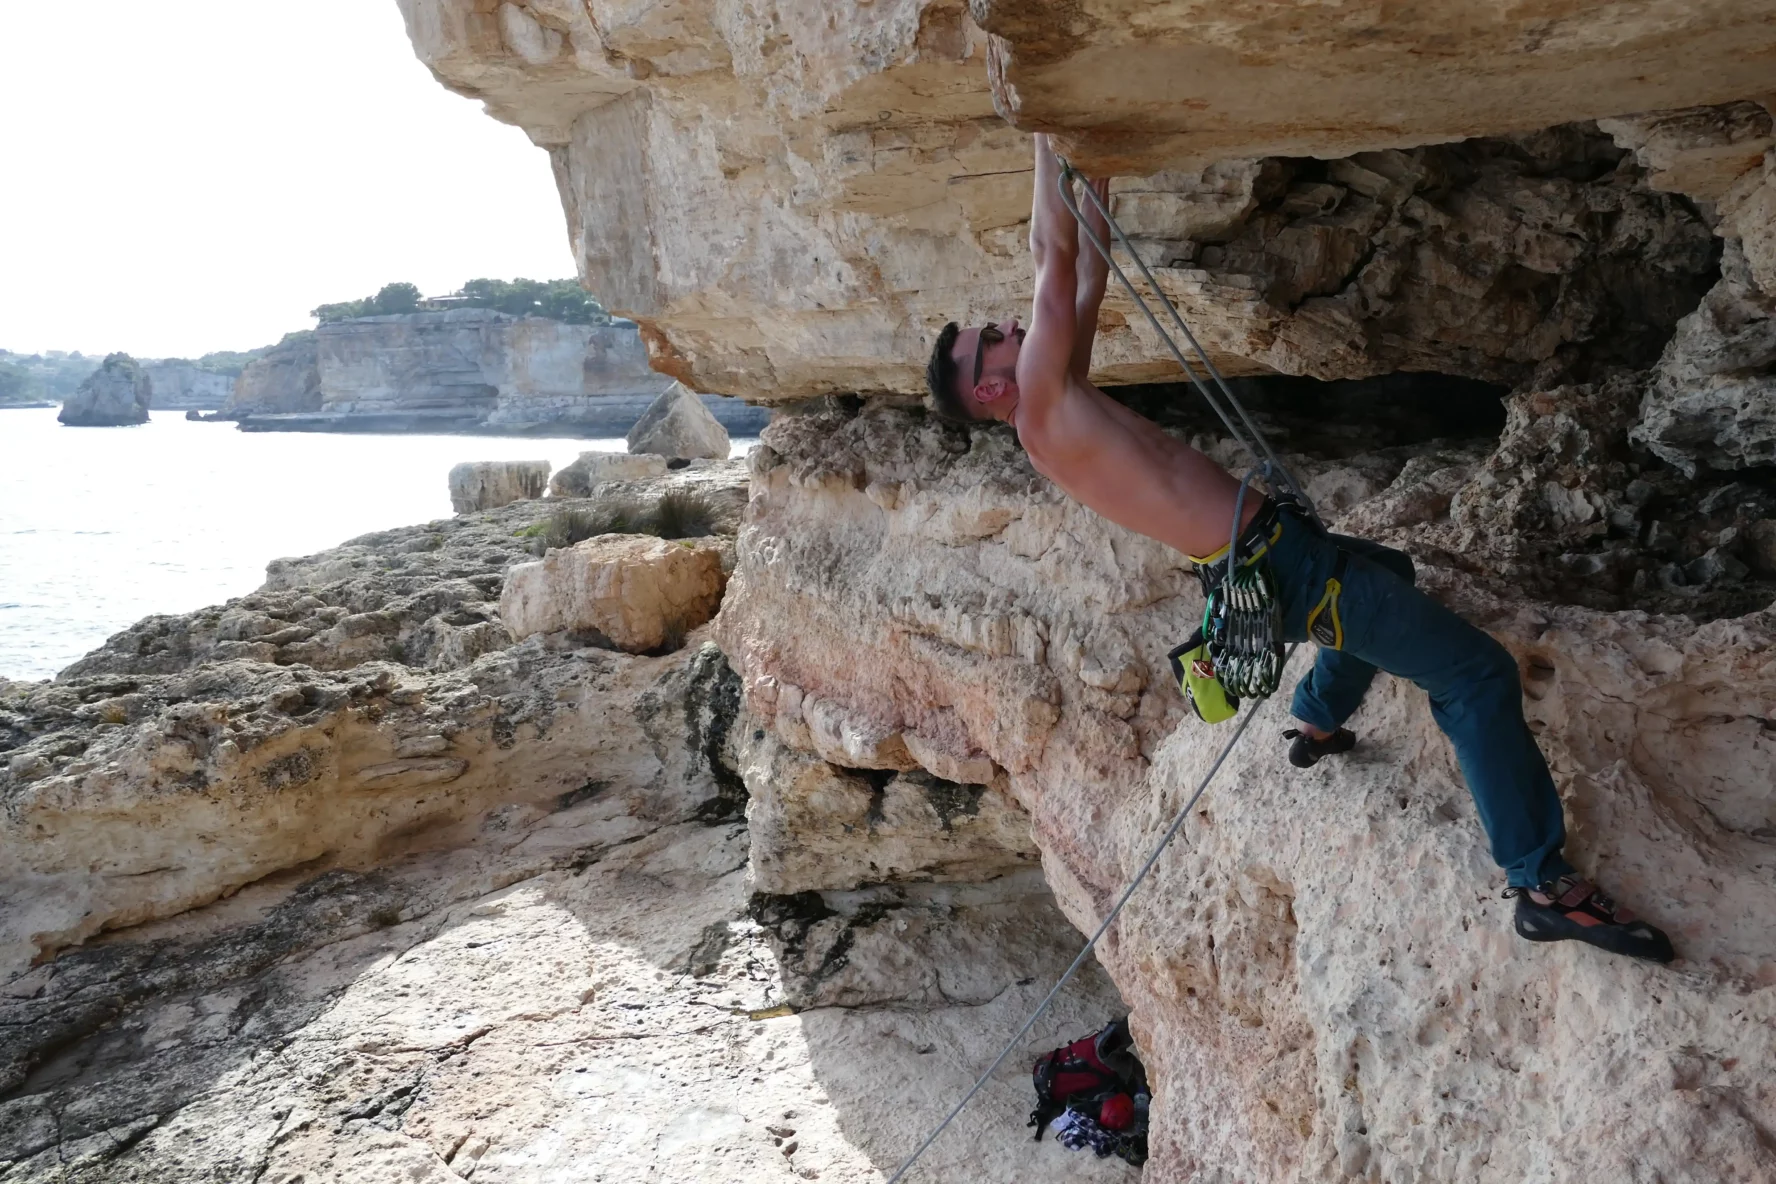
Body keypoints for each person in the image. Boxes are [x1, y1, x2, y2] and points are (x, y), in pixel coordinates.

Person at [924, 134, 1674, 964]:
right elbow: (1051, 253)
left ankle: (1316, 720)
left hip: (1267, 561)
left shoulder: (1059, 399)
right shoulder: (1045, 410)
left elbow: (1086, 270)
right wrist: (1042, 133)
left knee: (1389, 573)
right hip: (1285, 567)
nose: (1006, 325)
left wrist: (1089, 185)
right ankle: (1541, 885)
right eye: (990, 340)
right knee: (1476, 673)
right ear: (991, 386)